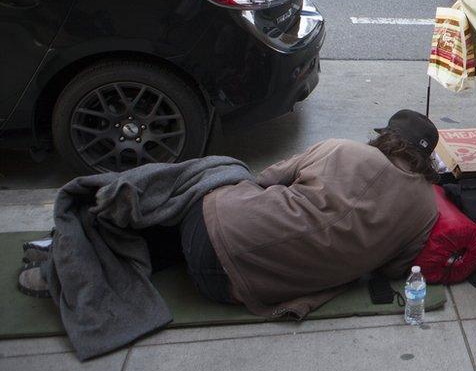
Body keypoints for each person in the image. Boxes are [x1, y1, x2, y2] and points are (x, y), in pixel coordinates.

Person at [20, 109, 440, 320]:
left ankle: (77, 239)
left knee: (219, 172)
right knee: (198, 237)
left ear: (385, 137)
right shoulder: (425, 208)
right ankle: (79, 252)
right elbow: (395, 270)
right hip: (236, 290)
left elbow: (264, 180)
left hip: (211, 229)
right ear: (424, 163)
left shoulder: (341, 149)